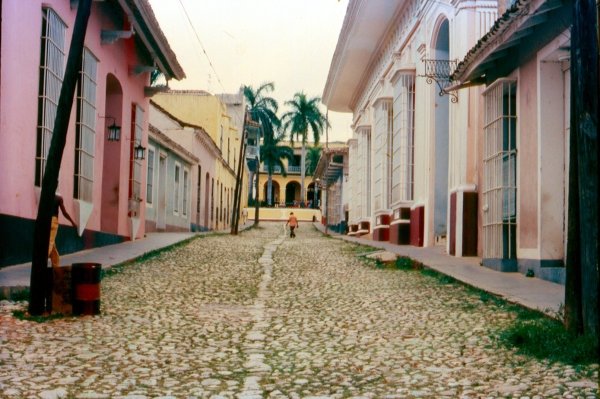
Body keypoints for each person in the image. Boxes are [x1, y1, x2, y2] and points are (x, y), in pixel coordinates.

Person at [48, 193, 77, 268]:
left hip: (44, 221)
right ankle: (40, 265)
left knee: (52, 245)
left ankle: (55, 267)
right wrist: (72, 222)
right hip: (53, 221)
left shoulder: (45, 197)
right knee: (50, 243)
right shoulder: (59, 198)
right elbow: (64, 213)